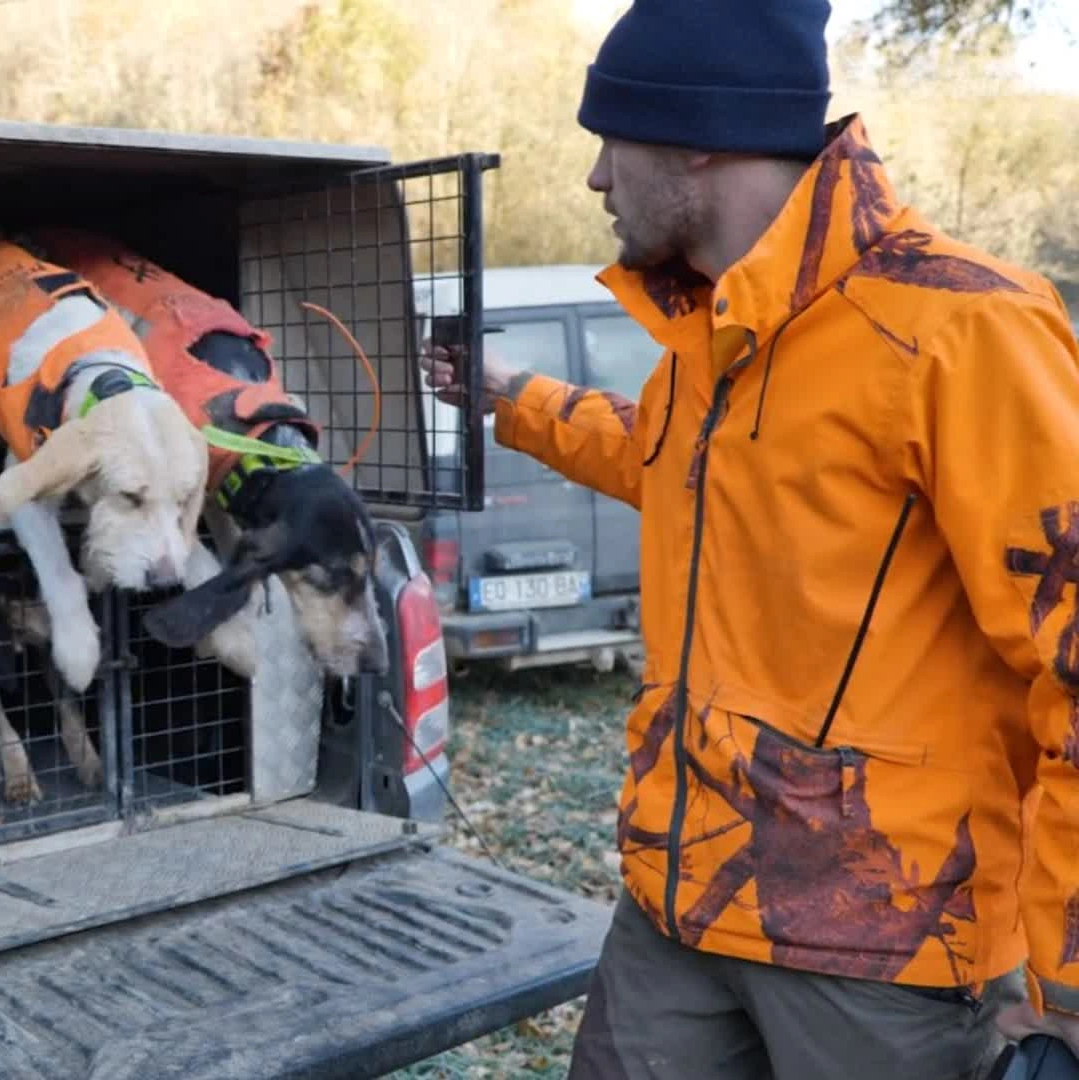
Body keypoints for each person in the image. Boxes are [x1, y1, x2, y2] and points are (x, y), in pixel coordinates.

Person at [422, 2, 1079, 1076]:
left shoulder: (962, 327)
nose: (595, 180)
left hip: (883, 948)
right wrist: (511, 399)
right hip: (679, 904)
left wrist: (1068, 988)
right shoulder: (711, 331)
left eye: (610, 143)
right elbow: (672, 463)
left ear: (699, 137)